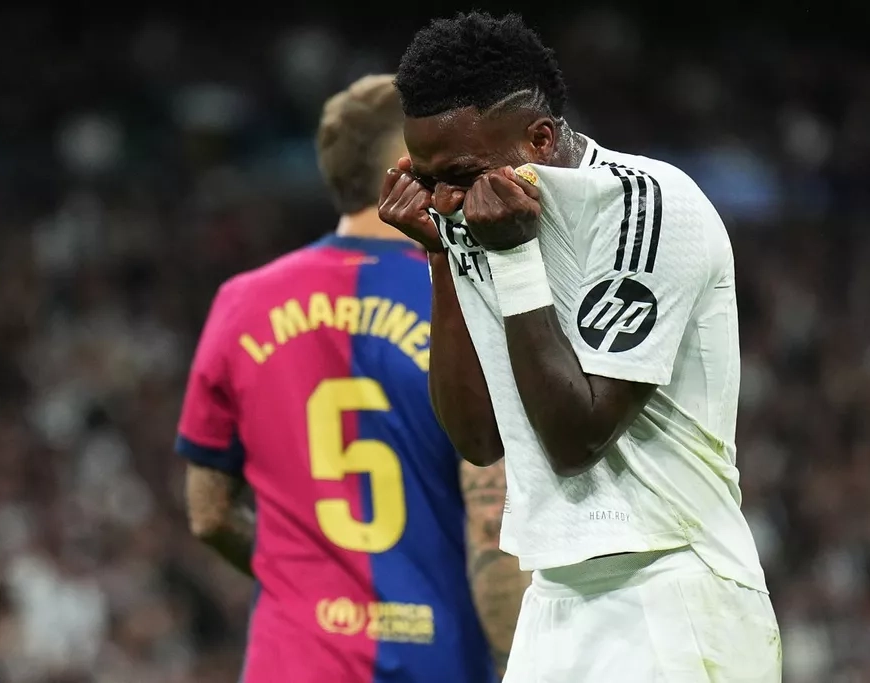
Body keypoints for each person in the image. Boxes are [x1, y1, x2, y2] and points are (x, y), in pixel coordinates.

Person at [379, 12, 782, 683]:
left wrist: (511, 258)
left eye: (460, 174)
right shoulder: (474, 217)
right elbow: (477, 438)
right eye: (427, 180)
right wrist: (442, 256)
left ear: (539, 139)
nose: (445, 199)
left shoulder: (650, 207)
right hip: (555, 596)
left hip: (675, 590)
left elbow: (576, 437)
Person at [175, 74, 524, 683]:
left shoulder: (241, 303)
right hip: (436, 658)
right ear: (406, 164)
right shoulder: (461, 300)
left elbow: (209, 515)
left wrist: (301, 584)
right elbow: (490, 525)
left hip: (291, 660)